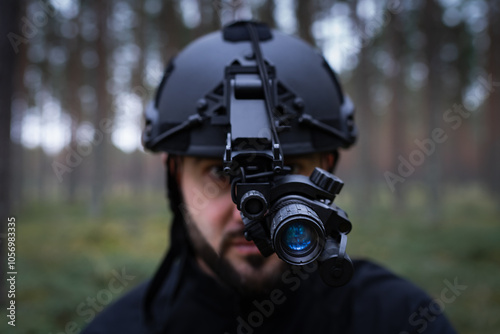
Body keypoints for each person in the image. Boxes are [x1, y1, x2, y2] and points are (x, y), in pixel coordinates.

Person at [82, 21, 456, 334]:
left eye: (288, 172)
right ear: (173, 173)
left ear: (327, 167)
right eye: (219, 173)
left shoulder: (400, 320)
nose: (248, 214)